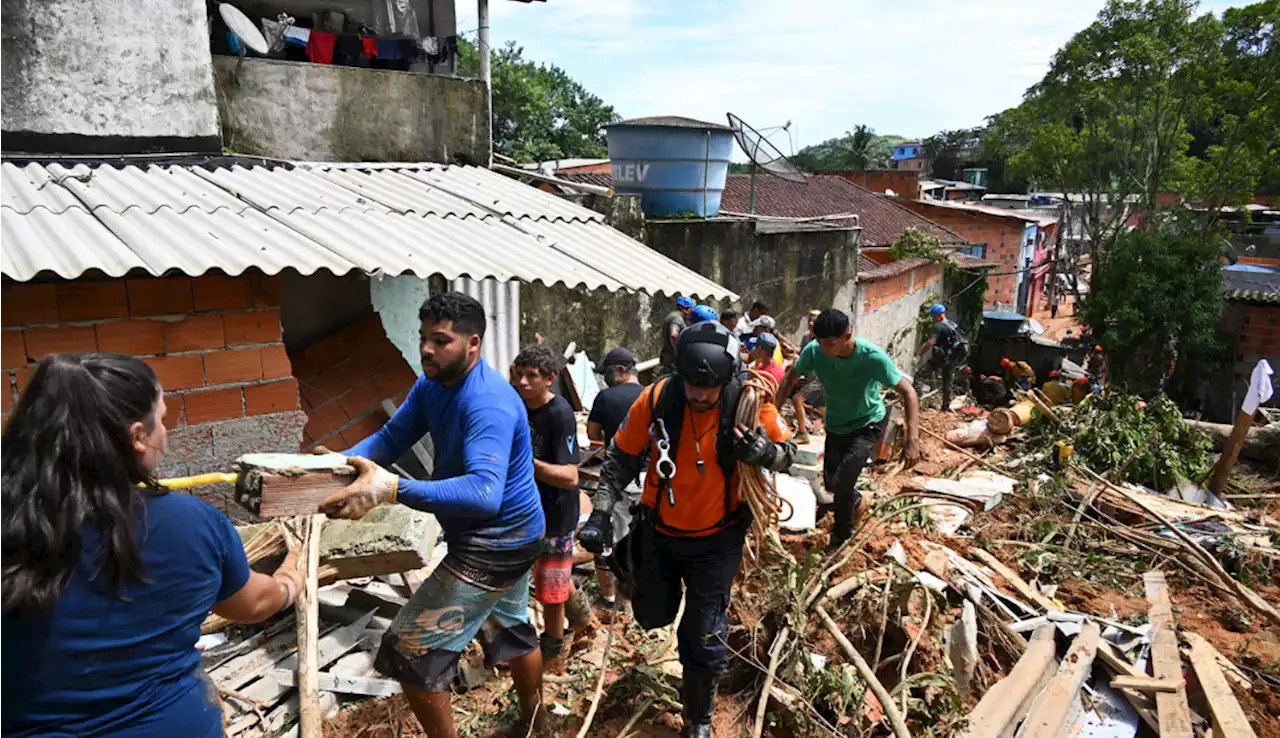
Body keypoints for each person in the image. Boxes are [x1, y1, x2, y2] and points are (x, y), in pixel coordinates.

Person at [0, 353, 302, 738]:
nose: (167, 432)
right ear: (138, 437)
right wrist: (290, 582)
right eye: (162, 418)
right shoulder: (190, 524)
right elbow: (252, 603)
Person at [319, 292, 547, 738]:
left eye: (441, 341)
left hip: (497, 542)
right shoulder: (432, 385)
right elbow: (389, 438)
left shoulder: (487, 402)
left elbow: (483, 493)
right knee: (511, 627)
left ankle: (531, 722)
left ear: (473, 344)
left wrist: (393, 489)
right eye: (424, 338)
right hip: (511, 535)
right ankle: (534, 724)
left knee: (410, 650)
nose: (426, 349)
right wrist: (336, 465)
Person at [578, 322, 797, 738]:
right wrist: (600, 514)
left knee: (702, 633)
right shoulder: (659, 399)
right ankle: (641, 583)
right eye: (692, 387)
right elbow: (619, 460)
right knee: (651, 614)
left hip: (718, 538)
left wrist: (763, 451)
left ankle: (698, 718)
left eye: (708, 390)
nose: (699, 396)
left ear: (726, 379)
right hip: (661, 531)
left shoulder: (747, 403)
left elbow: (790, 453)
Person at [778, 309, 922, 551]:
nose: (825, 349)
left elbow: (908, 392)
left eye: (831, 344)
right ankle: (857, 501)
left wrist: (912, 439)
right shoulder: (815, 351)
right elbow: (791, 376)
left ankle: (840, 540)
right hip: (835, 425)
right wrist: (773, 410)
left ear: (847, 336)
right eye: (821, 342)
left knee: (843, 483)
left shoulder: (872, 358)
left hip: (867, 424)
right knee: (833, 484)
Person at [511, 344, 582, 675]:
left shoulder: (560, 414)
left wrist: (529, 463)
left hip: (554, 515)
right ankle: (585, 620)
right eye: (519, 374)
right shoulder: (517, 404)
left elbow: (570, 477)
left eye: (531, 376)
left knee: (551, 591)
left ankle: (554, 653)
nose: (522, 382)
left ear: (550, 379)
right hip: (524, 510)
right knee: (552, 575)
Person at [585, 348, 645, 619]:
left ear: (620, 371)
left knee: (616, 542)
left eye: (608, 373)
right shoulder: (652, 396)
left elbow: (593, 436)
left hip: (619, 480)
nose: (606, 379)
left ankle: (618, 604)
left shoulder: (605, 398)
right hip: (654, 481)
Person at [916, 304, 969, 411]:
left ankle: (917, 400)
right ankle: (945, 406)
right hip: (952, 359)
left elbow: (931, 342)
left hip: (941, 358)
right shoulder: (952, 324)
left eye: (934, 316)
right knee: (947, 381)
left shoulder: (939, 326)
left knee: (919, 376)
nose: (933, 319)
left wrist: (919, 355)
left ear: (938, 315)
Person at [792, 309, 823, 444]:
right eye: (809, 320)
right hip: (812, 378)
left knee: (797, 399)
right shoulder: (806, 337)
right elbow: (802, 356)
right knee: (822, 408)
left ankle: (803, 433)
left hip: (821, 379)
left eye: (814, 321)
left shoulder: (823, 339)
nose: (810, 323)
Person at [661, 297, 696, 374]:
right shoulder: (678, 319)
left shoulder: (672, 315)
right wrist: (678, 351)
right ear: (688, 310)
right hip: (672, 360)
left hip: (667, 356)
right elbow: (673, 334)